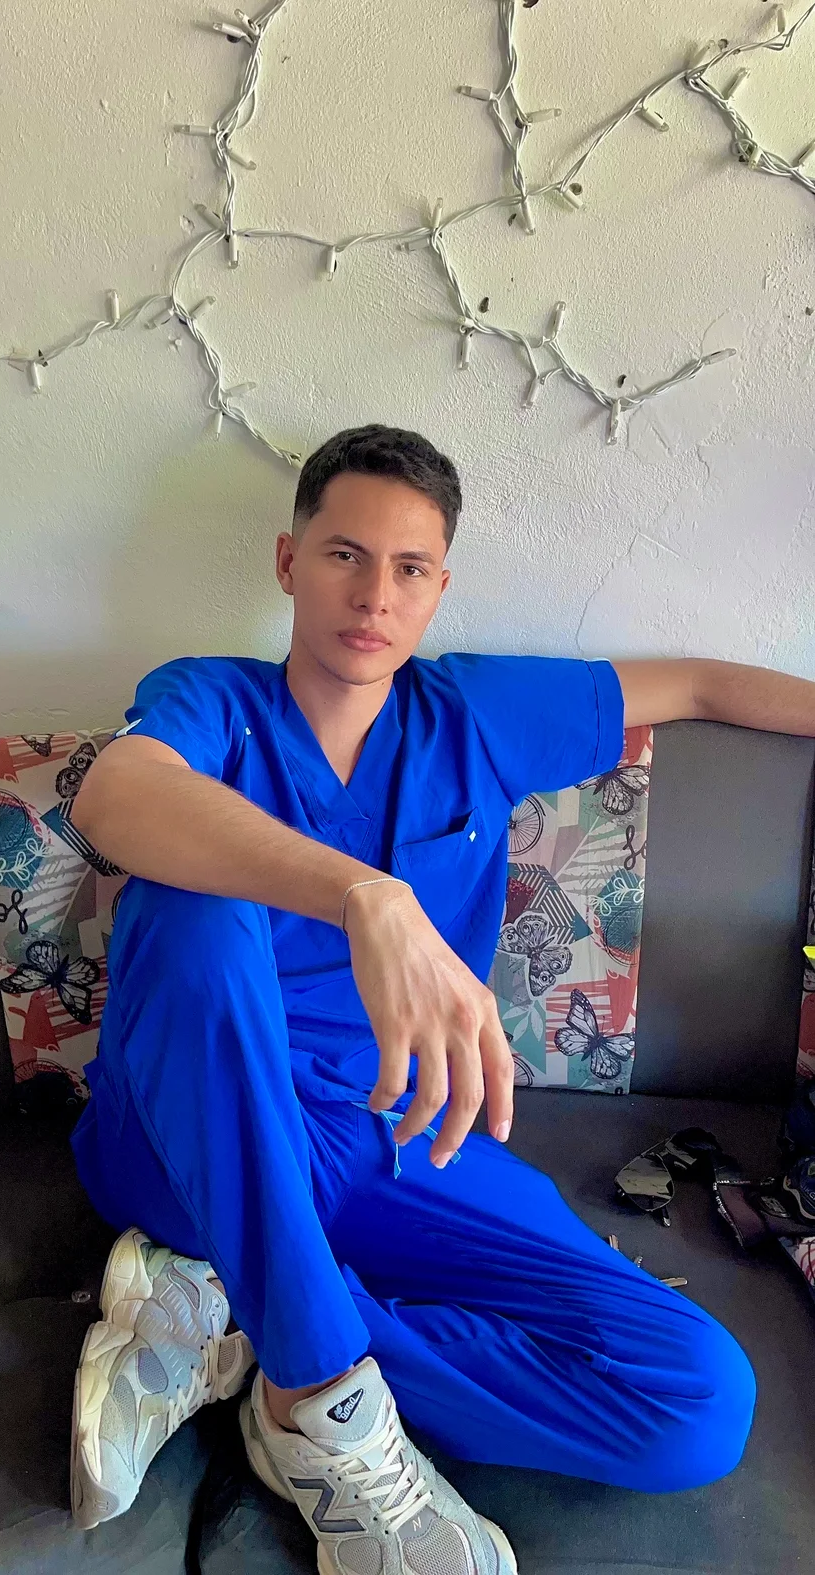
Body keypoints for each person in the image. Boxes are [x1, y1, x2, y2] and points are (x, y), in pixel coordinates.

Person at [67, 424, 813, 1572]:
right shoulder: (212, 700)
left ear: (438, 589)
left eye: (408, 568)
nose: (374, 595)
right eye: (344, 555)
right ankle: (317, 1391)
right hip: (188, 1139)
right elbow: (115, 797)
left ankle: (242, 1322)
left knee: (697, 1399)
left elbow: (703, 682)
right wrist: (364, 894)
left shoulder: (472, 714)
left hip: (400, 1137)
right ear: (288, 562)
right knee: (195, 908)